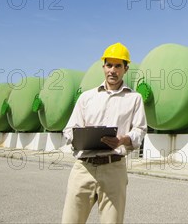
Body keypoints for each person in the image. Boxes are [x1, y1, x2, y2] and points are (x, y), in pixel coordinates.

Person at [62, 42, 147, 224]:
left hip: (113, 168)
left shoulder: (134, 99)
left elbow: (140, 130)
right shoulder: (87, 97)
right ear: (103, 67)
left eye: (118, 66)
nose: (112, 70)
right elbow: (68, 129)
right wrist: (79, 137)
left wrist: (123, 139)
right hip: (83, 168)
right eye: (109, 65)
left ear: (126, 68)